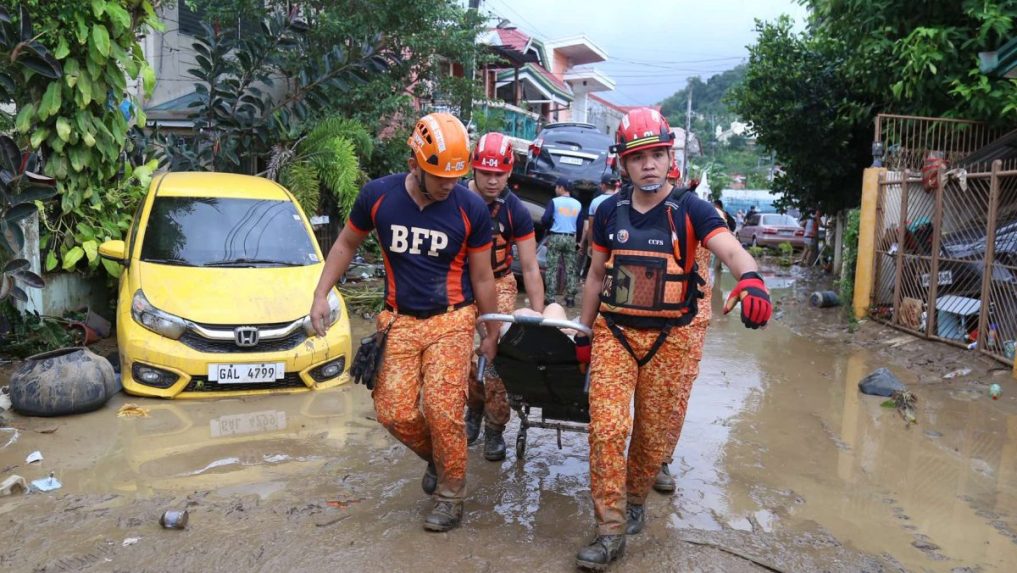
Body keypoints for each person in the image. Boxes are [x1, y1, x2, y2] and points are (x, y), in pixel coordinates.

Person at [574, 108, 772, 569]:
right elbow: (595, 276)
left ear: (670, 158)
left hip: (671, 341)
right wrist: (583, 332)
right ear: (623, 163)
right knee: (606, 428)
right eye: (639, 156)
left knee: (651, 435)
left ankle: (637, 494)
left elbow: (730, 248)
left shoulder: (692, 210)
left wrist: (753, 279)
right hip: (615, 335)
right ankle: (609, 530)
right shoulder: (607, 212)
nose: (649, 164)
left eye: (658, 154)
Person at [309, 112, 500, 533]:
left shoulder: (470, 208)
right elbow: (345, 244)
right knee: (392, 412)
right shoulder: (379, 197)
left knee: (443, 408)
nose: (449, 184)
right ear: (414, 162)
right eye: (438, 175)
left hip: (453, 319)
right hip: (398, 320)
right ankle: (439, 456)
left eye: (455, 175)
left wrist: (491, 332)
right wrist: (321, 294)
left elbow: (484, 276)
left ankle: (451, 495)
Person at [464, 131, 544, 461]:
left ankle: (495, 428)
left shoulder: (515, 212)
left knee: (496, 356)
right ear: (474, 169)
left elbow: (529, 267)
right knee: (461, 358)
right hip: (459, 285)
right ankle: (472, 410)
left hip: (499, 284)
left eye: (499, 174)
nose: (493, 180)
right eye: (486, 173)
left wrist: (538, 318)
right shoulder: (454, 200)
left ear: (509, 172)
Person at [541, 176, 581, 307]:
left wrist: (549, 226)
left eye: (556, 186)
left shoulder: (554, 201)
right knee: (571, 269)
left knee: (552, 268)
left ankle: (550, 298)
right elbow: (580, 225)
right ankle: (570, 299)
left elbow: (545, 219)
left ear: (561, 188)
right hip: (570, 237)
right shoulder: (578, 204)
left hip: (556, 236)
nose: (555, 188)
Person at [578, 172, 621, 261]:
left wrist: (590, 245)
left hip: (599, 243)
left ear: (603, 185)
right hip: (617, 242)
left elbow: (590, 227)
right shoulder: (622, 200)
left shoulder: (595, 201)